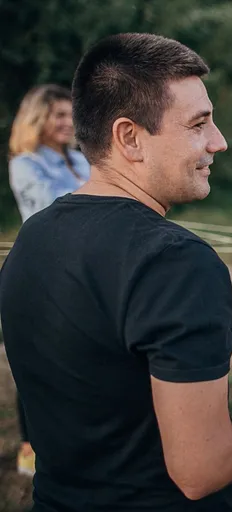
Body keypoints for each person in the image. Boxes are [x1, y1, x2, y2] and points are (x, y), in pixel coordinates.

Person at [0, 33, 232, 511]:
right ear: (129, 137)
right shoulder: (176, 261)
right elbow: (200, 470)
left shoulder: (32, 237)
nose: (219, 141)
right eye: (198, 124)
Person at [5, 83, 91, 477]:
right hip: (45, 271)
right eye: (58, 114)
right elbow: (57, 207)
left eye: (71, 114)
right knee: (38, 360)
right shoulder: (26, 163)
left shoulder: (80, 159)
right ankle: (31, 446)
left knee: (80, 354)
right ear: (38, 119)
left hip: (85, 268)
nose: (68, 122)